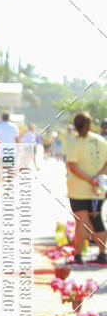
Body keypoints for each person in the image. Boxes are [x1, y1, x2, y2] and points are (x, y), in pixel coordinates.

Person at [66, 110, 107, 266]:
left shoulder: (75, 142)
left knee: (81, 222)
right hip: (99, 187)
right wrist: (96, 178)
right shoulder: (101, 141)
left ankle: (78, 256)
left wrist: (89, 180)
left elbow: (73, 166)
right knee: (97, 219)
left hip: (79, 189)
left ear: (75, 126)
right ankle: (103, 255)